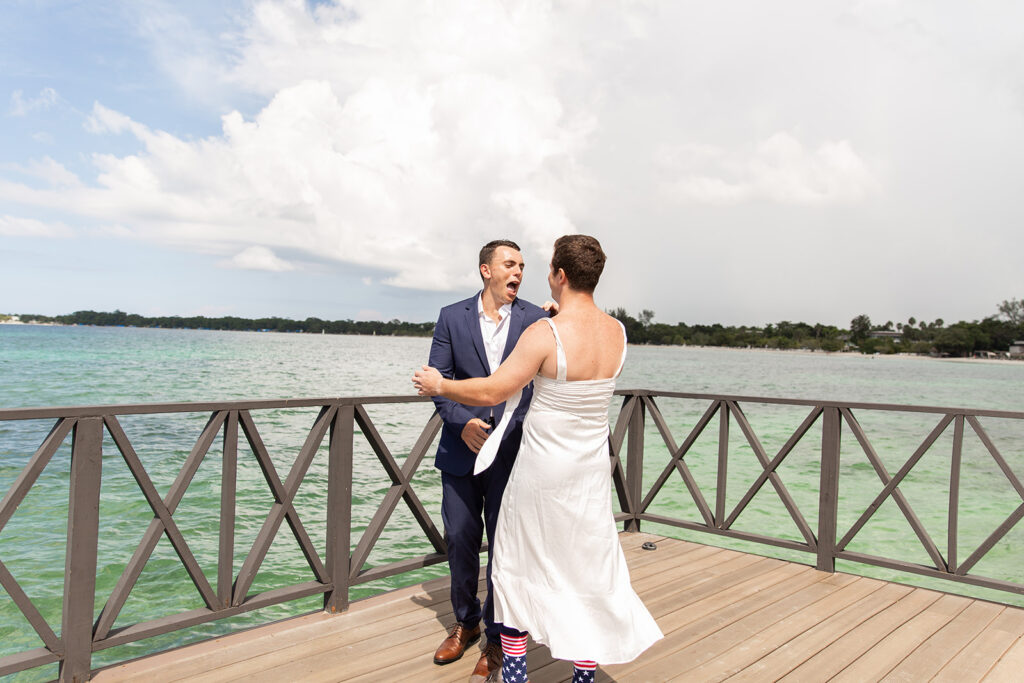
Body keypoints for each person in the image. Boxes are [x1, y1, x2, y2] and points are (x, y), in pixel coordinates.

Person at [414, 235, 663, 683]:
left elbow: (494, 389)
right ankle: (582, 676)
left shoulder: (544, 330)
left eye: (543, 268)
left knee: (512, 564)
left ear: (560, 276)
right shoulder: (618, 333)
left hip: (541, 469)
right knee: (586, 568)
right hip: (588, 473)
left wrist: (441, 385)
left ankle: (513, 672)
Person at [427, 239, 549, 682]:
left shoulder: (537, 317)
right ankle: (466, 621)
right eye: (509, 264)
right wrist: (461, 424)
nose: (518, 271)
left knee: (504, 548)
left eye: (522, 266)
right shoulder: (450, 317)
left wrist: (557, 312)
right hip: (460, 451)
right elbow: (439, 383)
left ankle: (497, 639)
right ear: (486, 270)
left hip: (513, 453)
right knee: (459, 538)